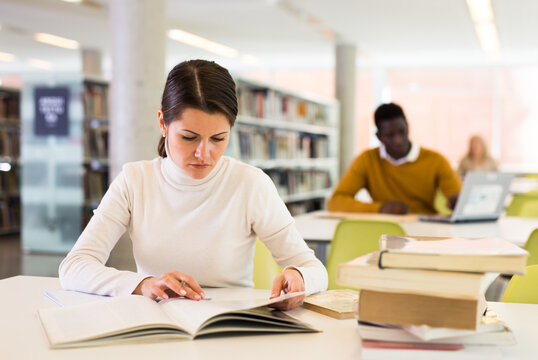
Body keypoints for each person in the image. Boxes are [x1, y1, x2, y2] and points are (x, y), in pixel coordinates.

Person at [59, 59, 327, 311]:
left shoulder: (250, 184)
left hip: (229, 322)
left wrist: (299, 276)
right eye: (189, 137)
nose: (204, 153)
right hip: (154, 321)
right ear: (163, 123)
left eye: (218, 138)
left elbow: (314, 269)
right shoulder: (134, 181)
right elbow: (74, 266)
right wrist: (143, 284)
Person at [327, 102, 461, 215]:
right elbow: (335, 202)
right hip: (384, 232)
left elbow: (461, 200)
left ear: (408, 126)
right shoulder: (367, 160)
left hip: (426, 233)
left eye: (402, 131)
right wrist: (380, 208)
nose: (398, 140)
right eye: (390, 135)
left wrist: (457, 202)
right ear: (379, 136)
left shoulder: (436, 160)